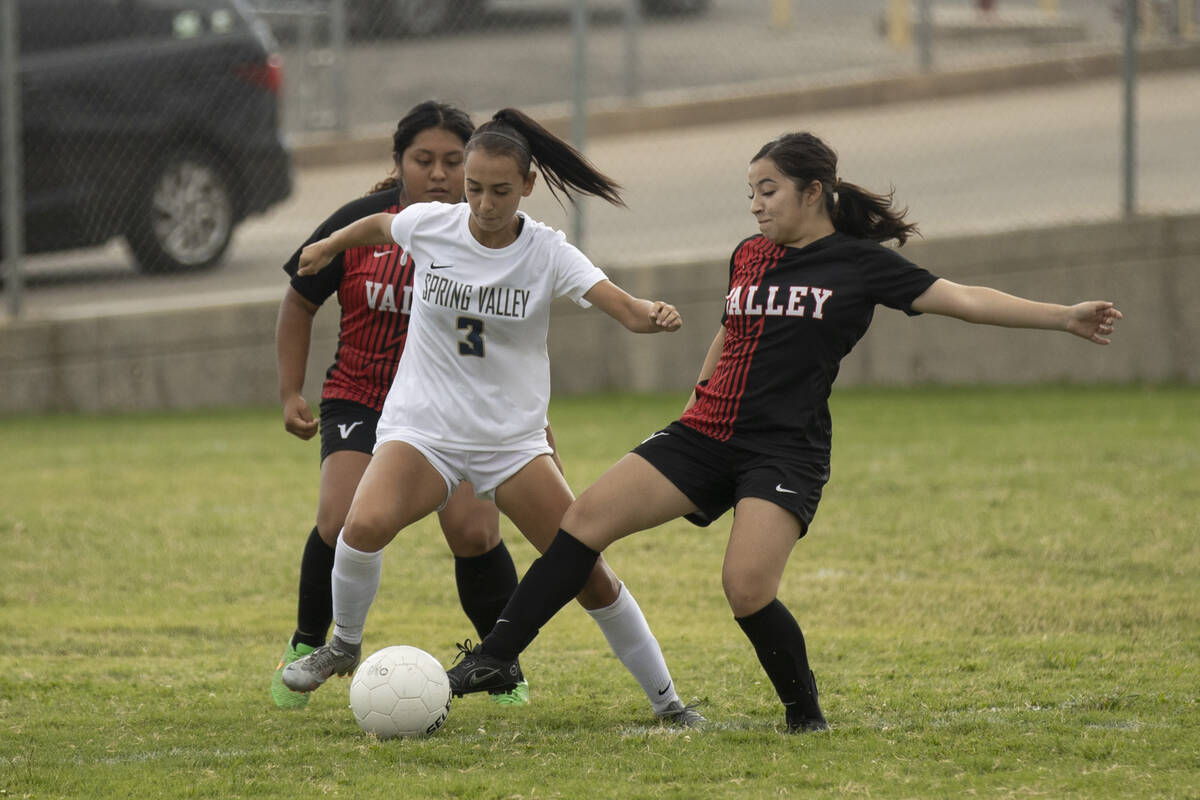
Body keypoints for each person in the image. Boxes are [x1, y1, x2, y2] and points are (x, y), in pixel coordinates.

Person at [444, 131, 1124, 733]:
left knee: (746, 589)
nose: (756, 205)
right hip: (705, 432)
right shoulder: (749, 254)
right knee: (583, 521)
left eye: (768, 190)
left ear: (813, 191)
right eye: (751, 193)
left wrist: (1062, 315)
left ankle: (804, 714)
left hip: (783, 450)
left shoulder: (859, 264)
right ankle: (496, 657)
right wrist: (697, 397)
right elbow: (730, 332)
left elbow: (966, 300)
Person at [281, 107, 704, 726]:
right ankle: (343, 644)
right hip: (424, 429)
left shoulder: (547, 252)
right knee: (362, 524)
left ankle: (669, 704)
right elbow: (378, 223)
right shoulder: (433, 225)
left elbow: (621, 306)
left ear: (527, 185)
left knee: (588, 574)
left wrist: (652, 315)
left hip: (510, 444)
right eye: (474, 187)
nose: (483, 204)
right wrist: (327, 245)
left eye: (500, 191)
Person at [270, 101, 539, 709]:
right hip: (362, 397)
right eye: (423, 160)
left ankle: (502, 666)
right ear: (398, 163)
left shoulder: (495, 234)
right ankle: (308, 642)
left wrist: (527, 415)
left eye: (452, 161)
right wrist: (290, 390)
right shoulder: (361, 224)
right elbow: (299, 298)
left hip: (451, 409)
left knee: (474, 531)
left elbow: (516, 335)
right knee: (340, 520)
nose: (439, 174)